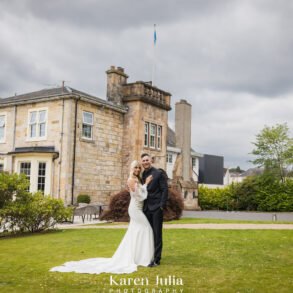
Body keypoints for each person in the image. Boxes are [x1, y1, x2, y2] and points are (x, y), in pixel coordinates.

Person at [50, 160, 154, 274]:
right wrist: (146, 184)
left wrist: (144, 184)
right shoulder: (131, 180)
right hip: (135, 208)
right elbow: (139, 196)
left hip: (138, 208)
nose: (138, 169)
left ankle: (138, 257)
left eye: (139, 168)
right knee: (146, 228)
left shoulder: (137, 179)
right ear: (131, 169)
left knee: (136, 231)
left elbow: (140, 193)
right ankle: (142, 258)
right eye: (136, 167)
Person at [141, 153, 168, 267]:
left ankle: (157, 259)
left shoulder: (158, 173)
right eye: (143, 160)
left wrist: (161, 205)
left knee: (157, 234)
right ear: (142, 162)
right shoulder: (142, 174)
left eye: (147, 160)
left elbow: (165, 190)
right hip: (146, 208)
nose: (145, 162)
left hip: (156, 208)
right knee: (148, 233)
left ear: (151, 161)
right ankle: (148, 256)